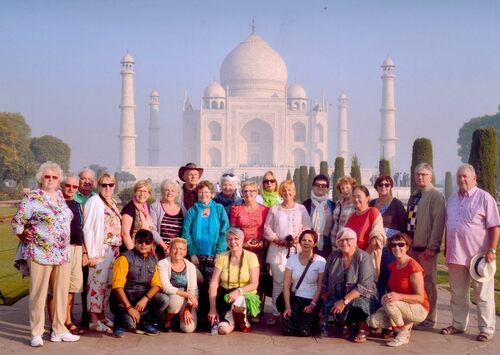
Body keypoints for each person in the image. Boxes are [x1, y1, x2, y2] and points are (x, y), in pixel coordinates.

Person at [12, 162, 80, 347]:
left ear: (59, 180)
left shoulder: (59, 195)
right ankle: (36, 332)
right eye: (47, 176)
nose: (50, 180)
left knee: (60, 293)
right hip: (40, 252)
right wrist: (24, 235)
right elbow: (17, 222)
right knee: (38, 294)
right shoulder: (33, 197)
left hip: (62, 253)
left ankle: (59, 330)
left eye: (54, 177)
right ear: (40, 178)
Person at [441, 164, 499, 342]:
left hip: (479, 257)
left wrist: (492, 249)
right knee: (458, 293)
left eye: (465, 176)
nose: (461, 179)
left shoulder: (484, 198)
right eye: (459, 176)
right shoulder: (452, 199)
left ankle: (486, 329)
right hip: (456, 255)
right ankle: (458, 324)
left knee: (483, 294)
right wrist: (447, 246)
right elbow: (448, 225)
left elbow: (495, 226)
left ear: (474, 179)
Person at [367, 233, 429, 347]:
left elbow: (420, 298)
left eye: (401, 244)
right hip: (400, 306)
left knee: (386, 300)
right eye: (393, 245)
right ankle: (404, 323)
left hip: (419, 308)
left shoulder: (413, 267)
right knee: (373, 321)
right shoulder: (393, 265)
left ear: (407, 247)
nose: (397, 248)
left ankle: (402, 333)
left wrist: (399, 297)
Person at [264, 180, 312, 325]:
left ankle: (291, 311)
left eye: (290, 190)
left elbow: (307, 226)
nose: (287, 193)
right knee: (278, 283)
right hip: (277, 251)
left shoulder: (301, 209)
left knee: (294, 282)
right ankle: (276, 312)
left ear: (294, 192)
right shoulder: (275, 209)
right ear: (281, 192)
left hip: (296, 251)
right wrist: (278, 240)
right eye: (284, 190)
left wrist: (298, 239)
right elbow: (267, 228)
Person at [406, 163, 446, 330]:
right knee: (415, 284)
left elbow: (439, 222)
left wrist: (433, 246)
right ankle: (417, 315)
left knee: (428, 283)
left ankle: (430, 319)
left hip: (426, 249)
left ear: (430, 177)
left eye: (423, 174)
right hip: (413, 247)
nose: (420, 177)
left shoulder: (435, 195)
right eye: (417, 174)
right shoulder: (415, 195)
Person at [321, 227, 378, 343]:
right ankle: (344, 324)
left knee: (359, 304)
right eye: (340, 240)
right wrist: (325, 297)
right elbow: (326, 277)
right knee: (330, 304)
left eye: (348, 239)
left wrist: (344, 301)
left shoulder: (364, 257)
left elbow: (364, 286)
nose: (344, 243)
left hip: (361, 295)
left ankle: (363, 328)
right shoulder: (334, 256)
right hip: (338, 293)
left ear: (355, 241)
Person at [47, 175, 87, 336]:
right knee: (56, 289)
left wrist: (84, 251)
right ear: (62, 186)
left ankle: (67, 320)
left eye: (74, 187)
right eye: (68, 185)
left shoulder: (78, 206)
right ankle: (55, 324)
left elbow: (81, 230)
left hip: (76, 249)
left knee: (71, 288)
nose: (71, 189)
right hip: (59, 250)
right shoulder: (54, 203)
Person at [110, 229, 169, 337]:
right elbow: (117, 287)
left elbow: (157, 285)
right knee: (130, 324)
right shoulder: (124, 258)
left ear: (152, 244)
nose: (143, 245)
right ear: (135, 242)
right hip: (123, 301)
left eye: (147, 242)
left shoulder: (153, 259)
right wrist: (129, 308)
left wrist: (145, 299)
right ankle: (119, 322)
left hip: (141, 299)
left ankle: (144, 323)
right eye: (140, 241)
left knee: (164, 299)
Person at [83, 173, 122, 334]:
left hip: (113, 249)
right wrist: (90, 254)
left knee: (107, 285)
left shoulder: (112, 202)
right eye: (104, 185)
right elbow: (87, 228)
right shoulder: (94, 201)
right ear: (99, 186)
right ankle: (93, 319)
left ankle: (102, 315)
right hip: (100, 250)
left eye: (110, 185)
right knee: (96, 284)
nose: (107, 188)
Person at [230, 180, 270, 322]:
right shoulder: (236, 209)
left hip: (259, 250)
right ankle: (242, 307)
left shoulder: (264, 210)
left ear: (257, 192)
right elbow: (233, 230)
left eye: (252, 191)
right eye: (246, 191)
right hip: (242, 249)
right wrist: (242, 243)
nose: (248, 194)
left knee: (257, 279)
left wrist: (261, 243)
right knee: (242, 278)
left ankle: (255, 310)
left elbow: (267, 229)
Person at [208, 227, 260, 334]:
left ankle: (243, 320)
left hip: (244, 294)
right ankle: (232, 321)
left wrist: (238, 292)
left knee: (239, 300)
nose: (233, 242)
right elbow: (214, 283)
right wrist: (212, 308)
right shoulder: (222, 257)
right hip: (225, 295)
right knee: (223, 330)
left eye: (236, 239)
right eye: (229, 239)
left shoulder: (251, 257)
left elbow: (254, 284)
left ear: (242, 239)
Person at [183, 180, 229, 285]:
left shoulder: (219, 209)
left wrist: (219, 252)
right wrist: (192, 253)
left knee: (211, 284)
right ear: (197, 194)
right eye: (201, 192)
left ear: (211, 194)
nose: (204, 194)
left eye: (207, 192)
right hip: (197, 254)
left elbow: (225, 231)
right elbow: (186, 232)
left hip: (214, 254)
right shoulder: (192, 210)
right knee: (195, 284)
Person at [282, 230, 326, 336]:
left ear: (315, 243)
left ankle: (315, 320)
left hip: (312, 300)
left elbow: (320, 286)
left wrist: (312, 305)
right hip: (295, 298)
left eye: (310, 241)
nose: (306, 243)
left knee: (304, 332)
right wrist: (288, 306)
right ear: (300, 242)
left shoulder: (321, 261)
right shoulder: (292, 260)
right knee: (288, 330)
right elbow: (286, 284)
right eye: (304, 240)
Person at [369, 176, 407, 297]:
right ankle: (378, 310)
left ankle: (391, 309)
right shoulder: (371, 204)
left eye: (387, 184)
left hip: (391, 249)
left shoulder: (396, 204)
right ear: (376, 187)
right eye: (381, 185)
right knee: (377, 279)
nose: (384, 187)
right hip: (375, 248)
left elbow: (404, 227)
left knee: (390, 279)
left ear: (391, 187)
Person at [344, 186, 386, 280]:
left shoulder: (373, 212)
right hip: (350, 261)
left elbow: (376, 240)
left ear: (367, 198)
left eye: (359, 196)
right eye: (354, 196)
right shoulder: (351, 216)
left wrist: (361, 259)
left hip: (367, 260)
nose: (356, 199)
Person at [158, 238, 199, 333]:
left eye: (181, 249)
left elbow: (193, 290)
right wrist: (188, 295)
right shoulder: (162, 264)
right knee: (175, 300)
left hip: (186, 300)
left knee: (188, 329)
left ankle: (179, 317)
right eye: (175, 248)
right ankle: (167, 319)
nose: (178, 251)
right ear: (170, 249)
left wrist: (188, 309)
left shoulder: (191, 266)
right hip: (170, 297)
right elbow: (166, 287)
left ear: (185, 252)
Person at [74, 168, 96, 328]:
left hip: (94, 247)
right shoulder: (73, 197)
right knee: (73, 284)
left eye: (90, 179)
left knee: (90, 283)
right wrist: (83, 250)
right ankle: (65, 319)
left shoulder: (97, 198)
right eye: (83, 178)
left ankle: (87, 315)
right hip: (76, 246)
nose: (87, 182)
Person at [121, 180, 167, 252]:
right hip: (132, 251)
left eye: (145, 191)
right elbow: (125, 233)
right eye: (139, 191)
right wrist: (134, 254)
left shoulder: (146, 208)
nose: (142, 194)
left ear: (149, 194)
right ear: (135, 192)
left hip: (144, 250)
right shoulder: (129, 208)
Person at [150, 179, 184, 259]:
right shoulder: (155, 207)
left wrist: (176, 248)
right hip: (159, 251)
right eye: (167, 190)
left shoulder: (182, 209)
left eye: (173, 191)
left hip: (177, 252)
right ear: (162, 191)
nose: (169, 193)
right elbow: (152, 229)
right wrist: (165, 247)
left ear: (177, 193)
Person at [302, 174, 335, 257]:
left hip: (328, 246)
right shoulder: (306, 205)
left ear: (327, 188)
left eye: (323, 185)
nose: (320, 187)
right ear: (313, 187)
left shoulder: (332, 205)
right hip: (310, 245)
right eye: (317, 185)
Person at [330, 176, 357, 247]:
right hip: (335, 241)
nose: (345, 190)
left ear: (352, 187)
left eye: (347, 187)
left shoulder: (356, 204)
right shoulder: (339, 203)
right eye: (342, 188)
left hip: (347, 242)